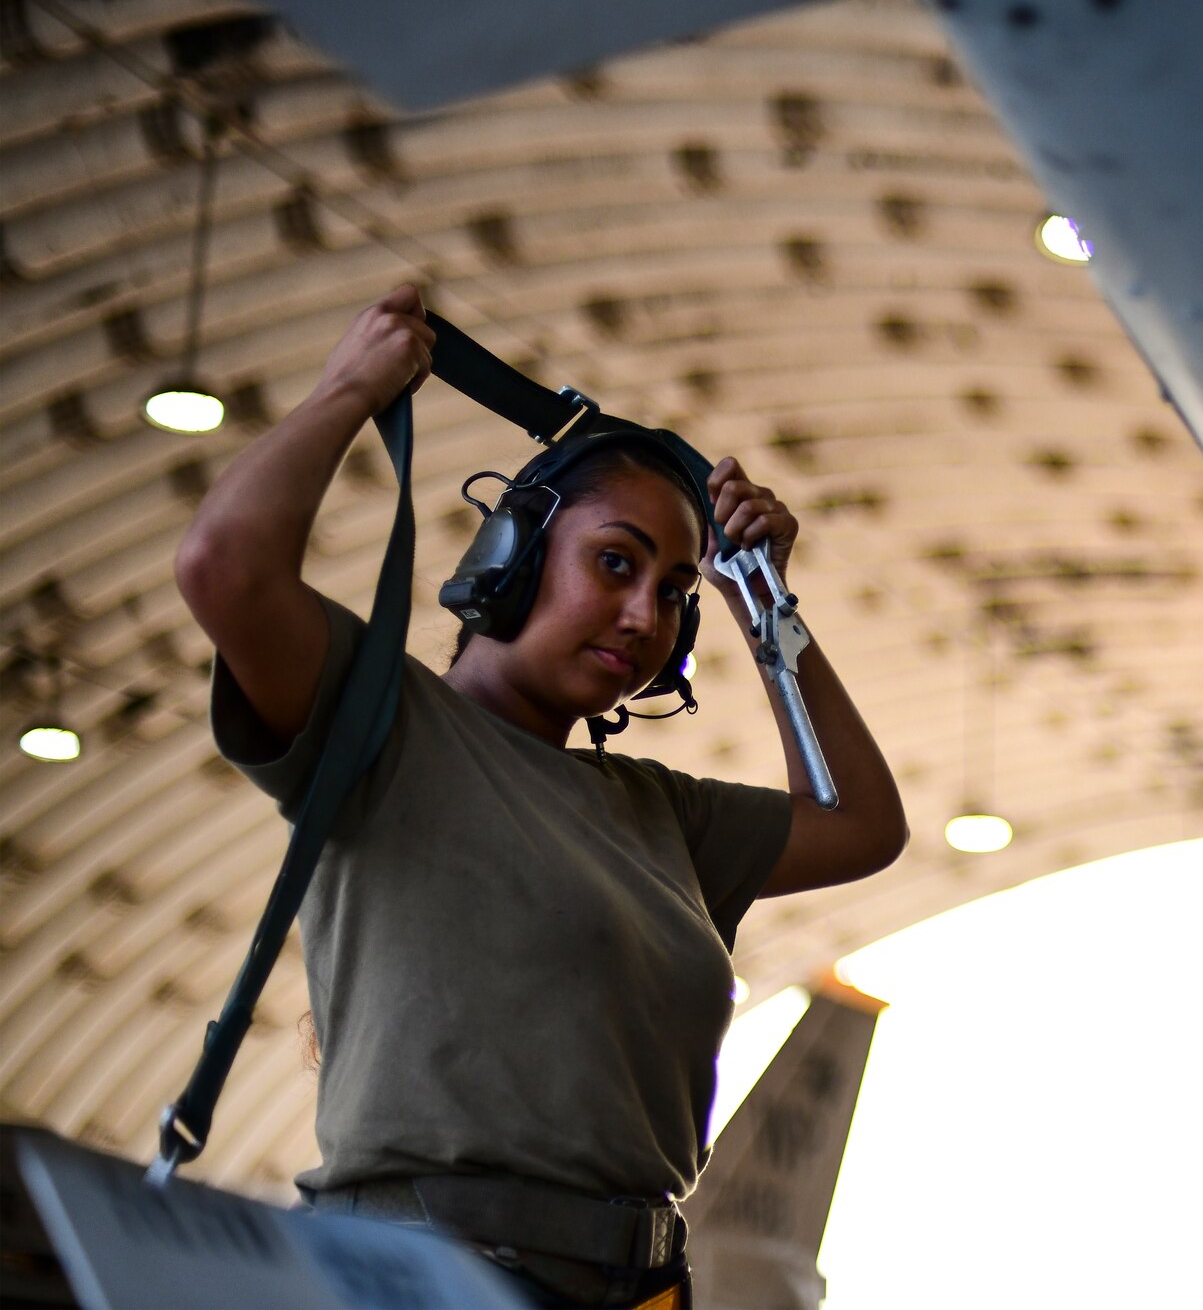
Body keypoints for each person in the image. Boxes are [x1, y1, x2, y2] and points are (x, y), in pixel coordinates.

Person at [173, 285, 909, 1308]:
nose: (645, 614)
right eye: (615, 562)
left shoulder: (663, 815)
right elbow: (225, 567)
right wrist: (350, 389)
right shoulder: (385, 721)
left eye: (673, 593)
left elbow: (861, 824)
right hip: (426, 1279)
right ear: (509, 555)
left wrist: (763, 603)